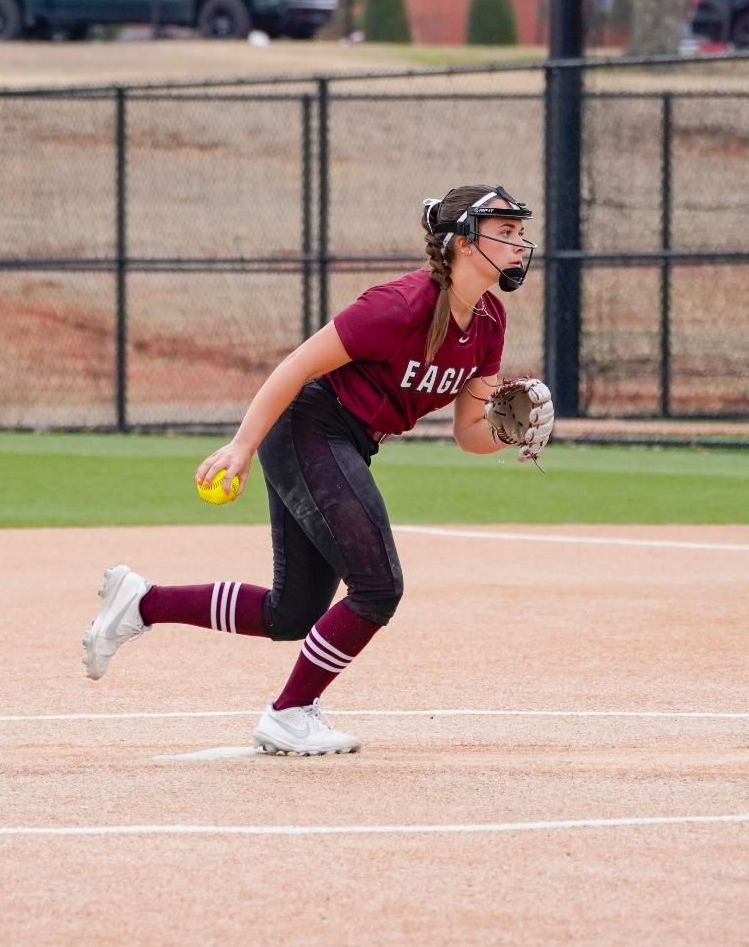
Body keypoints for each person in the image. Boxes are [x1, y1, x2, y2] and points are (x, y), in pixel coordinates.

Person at [78, 184, 554, 755]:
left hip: (345, 440)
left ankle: (141, 602)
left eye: (517, 232)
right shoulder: (400, 304)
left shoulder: (489, 322)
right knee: (377, 587)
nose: (517, 243)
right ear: (460, 242)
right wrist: (241, 445)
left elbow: (468, 434)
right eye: (503, 231)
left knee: (292, 613)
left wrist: (510, 432)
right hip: (311, 427)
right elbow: (297, 365)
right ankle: (290, 712)